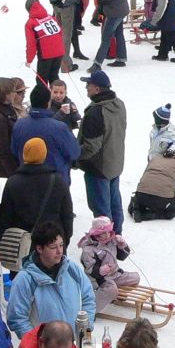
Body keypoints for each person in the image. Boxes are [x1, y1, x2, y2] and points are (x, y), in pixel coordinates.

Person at [7, 220, 96, 338]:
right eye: (53, 247)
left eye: (61, 245)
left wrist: (85, 329)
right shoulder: (25, 279)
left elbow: (89, 298)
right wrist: (36, 343)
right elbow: (17, 318)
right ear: (39, 249)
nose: (59, 251)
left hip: (73, 344)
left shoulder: (71, 269)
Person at [0, 137, 74, 259]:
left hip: (22, 246)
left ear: (24, 154)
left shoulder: (13, 182)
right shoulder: (58, 181)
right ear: (44, 154)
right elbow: (67, 216)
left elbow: (5, 218)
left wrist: (6, 242)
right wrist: (63, 243)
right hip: (52, 245)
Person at [76, 69, 127, 229]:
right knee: (115, 205)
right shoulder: (118, 104)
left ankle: (107, 239)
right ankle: (117, 235)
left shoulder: (95, 112)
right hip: (115, 163)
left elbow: (91, 147)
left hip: (98, 168)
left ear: (97, 89)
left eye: (88, 85)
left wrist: (74, 155)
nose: (86, 87)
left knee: (102, 212)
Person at [11, 82, 80, 184]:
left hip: (27, 181)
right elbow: (74, 152)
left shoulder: (19, 125)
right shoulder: (59, 128)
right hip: (56, 182)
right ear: (48, 103)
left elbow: (14, 151)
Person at [128, 143, 175, 222]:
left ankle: (135, 207)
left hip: (141, 193)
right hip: (161, 199)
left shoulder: (155, 159)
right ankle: (150, 215)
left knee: (142, 199)